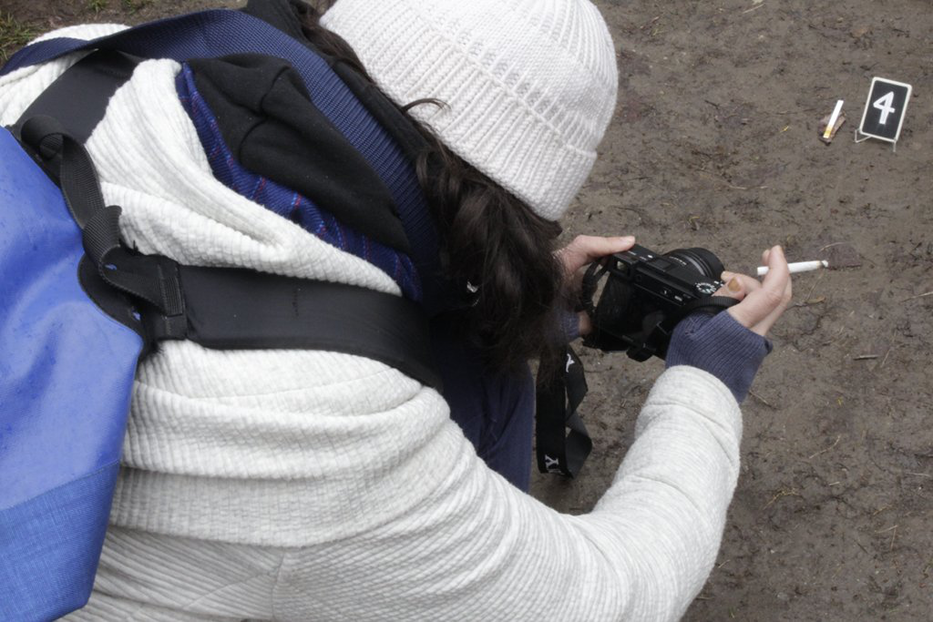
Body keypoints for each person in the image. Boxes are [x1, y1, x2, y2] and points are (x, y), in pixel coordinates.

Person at [0, 0, 791, 619]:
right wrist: (706, 381)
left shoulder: (77, 63)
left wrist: (525, 305)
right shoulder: (336, 439)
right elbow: (614, 594)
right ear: (507, 214)